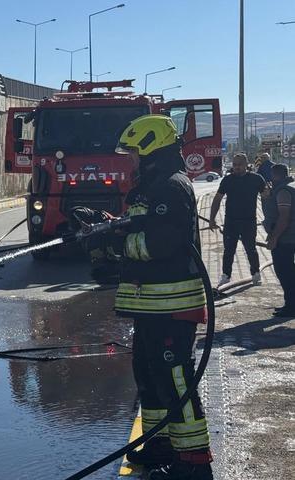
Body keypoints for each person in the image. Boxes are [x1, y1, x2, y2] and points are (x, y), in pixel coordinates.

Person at [79, 115, 213, 479]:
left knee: (175, 381)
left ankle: (194, 464)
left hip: (173, 307)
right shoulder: (152, 186)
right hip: (152, 308)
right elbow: (141, 226)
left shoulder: (170, 186)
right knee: (150, 377)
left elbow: (161, 243)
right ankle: (160, 446)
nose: (130, 160)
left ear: (152, 147)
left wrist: (113, 241)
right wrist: (104, 222)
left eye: (134, 152)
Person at [208, 152, 267, 287]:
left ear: (247, 165)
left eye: (240, 165)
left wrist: (268, 196)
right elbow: (217, 199)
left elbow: (266, 196)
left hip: (249, 221)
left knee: (251, 248)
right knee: (229, 250)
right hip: (231, 221)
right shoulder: (228, 180)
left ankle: (256, 273)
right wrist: (212, 219)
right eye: (234, 165)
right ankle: (226, 275)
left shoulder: (256, 179)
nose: (237, 167)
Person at [262, 163, 295, 317]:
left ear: (275, 175)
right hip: (288, 237)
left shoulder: (283, 191)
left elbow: (284, 217)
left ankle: (291, 306)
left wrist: (274, 237)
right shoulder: (290, 186)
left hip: (286, 239)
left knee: (284, 271)